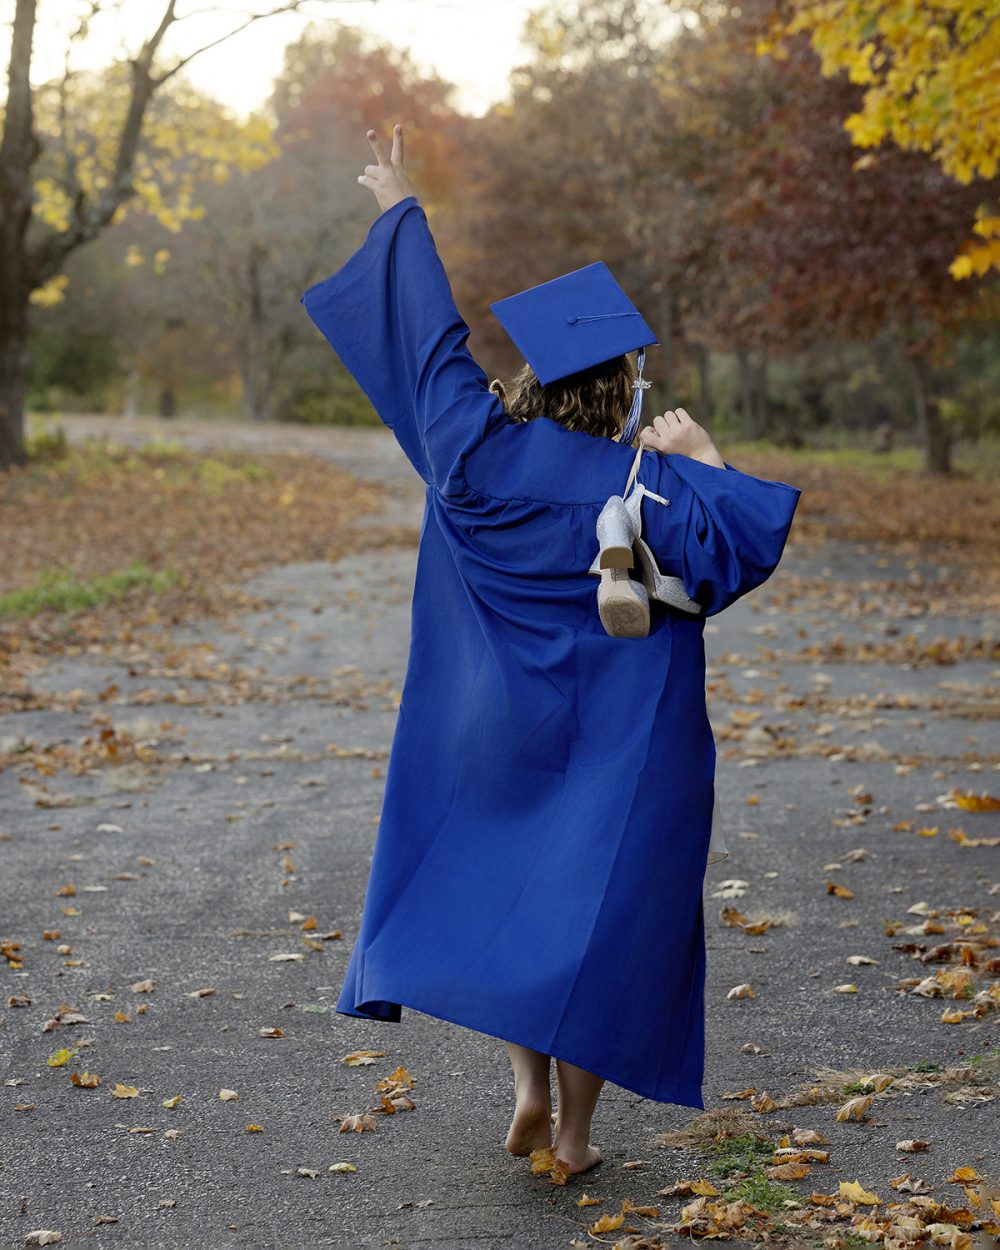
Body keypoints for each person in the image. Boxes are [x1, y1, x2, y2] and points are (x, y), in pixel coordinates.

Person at [300, 124, 800, 1176]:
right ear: (622, 389)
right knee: (594, 920)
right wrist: (703, 455)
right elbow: (743, 548)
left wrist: (399, 207)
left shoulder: (471, 455)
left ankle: (526, 1090)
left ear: (532, 375)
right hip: (622, 744)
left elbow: (433, 343)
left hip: (495, 726)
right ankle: (573, 1133)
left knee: (517, 897)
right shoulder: (650, 487)